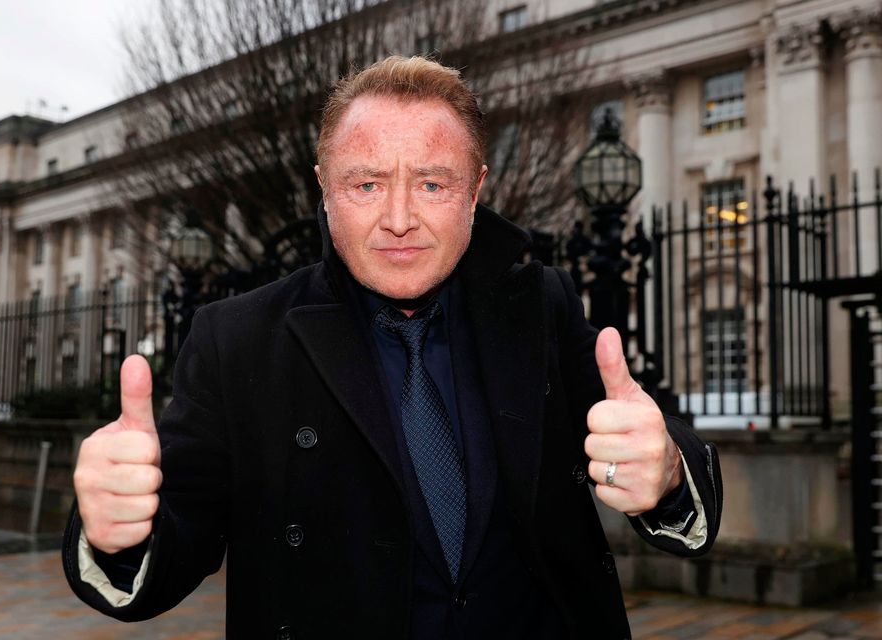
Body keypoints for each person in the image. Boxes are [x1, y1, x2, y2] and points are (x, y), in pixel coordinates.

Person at [63, 56, 722, 639]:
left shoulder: (541, 306)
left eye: (433, 183)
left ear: (476, 190)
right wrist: (120, 534)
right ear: (325, 187)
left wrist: (664, 471)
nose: (399, 218)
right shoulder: (238, 337)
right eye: (367, 184)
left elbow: (656, 440)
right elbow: (181, 531)